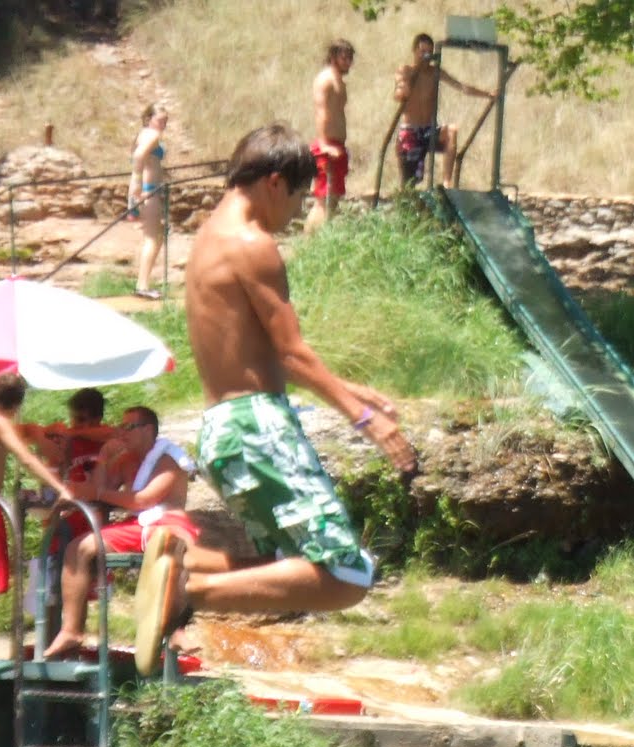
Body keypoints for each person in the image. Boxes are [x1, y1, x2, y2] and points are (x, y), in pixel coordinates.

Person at [144, 124, 416, 675]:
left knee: (281, 565)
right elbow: (292, 354)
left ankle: (184, 560)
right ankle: (188, 589)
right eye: (298, 196)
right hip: (255, 427)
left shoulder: (209, 238)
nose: (296, 212)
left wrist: (349, 388)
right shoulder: (254, 244)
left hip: (223, 428)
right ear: (274, 182)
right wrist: (364, 417)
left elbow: (259, 354)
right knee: (345, 575)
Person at [42, 406, 200, 660]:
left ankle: (177, 629)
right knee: (77, 548)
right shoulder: (125, 460)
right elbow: (99, 488)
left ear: (148, 429)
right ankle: (71, 630)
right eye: (121, 427)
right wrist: (104, 459)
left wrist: (98, 493)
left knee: (177, 545)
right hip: (137, 526)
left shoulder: (168, 460)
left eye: (128, 427)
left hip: (167, 523)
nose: (122, 433)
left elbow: (143, 499)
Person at [0, 371, 76, 597]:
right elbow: (27, 459)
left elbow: (26, 430)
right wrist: (61, 488)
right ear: (16, 405)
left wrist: (41, 434)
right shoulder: (0, 422)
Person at [394, 32, 495, 189]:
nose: (426, 56)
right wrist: (407, 81)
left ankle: (447, 183)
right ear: (414, 51)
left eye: (429, 52)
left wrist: (488, 94)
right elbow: (399, 94)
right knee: (409, 183)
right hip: (411, 130)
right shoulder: (406, 71)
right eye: (422, 52)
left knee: (451, 131)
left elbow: (462, 87)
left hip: (428, 129)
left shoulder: (435, 72)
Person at [305, 39, 355, 233]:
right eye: (344, 58)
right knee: (323, 201)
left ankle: (321, 241)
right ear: (333, 57)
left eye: (350, 58)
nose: (348, 62)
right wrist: (324, 144)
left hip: (337, 145)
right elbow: (321, 111)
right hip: (327, 146)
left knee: (332, 200)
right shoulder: (325, 79)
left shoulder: (338, 80)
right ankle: (309, 242)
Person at [128, 103, 170, 300]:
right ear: (149, 118)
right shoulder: (152, 135)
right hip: (148, 191)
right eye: (160, 120)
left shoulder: (142, 134)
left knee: (154, 237)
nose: (163, 124)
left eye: (165, 120)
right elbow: (138, 157)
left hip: (146, 190)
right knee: (153, 238)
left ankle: (142, 283)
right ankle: (142, 285)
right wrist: (137, 181)